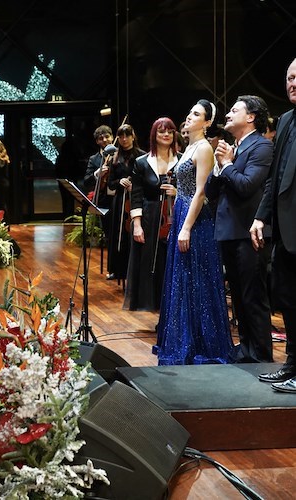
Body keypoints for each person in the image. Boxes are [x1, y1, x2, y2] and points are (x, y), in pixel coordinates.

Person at [156, 99, 233, 365]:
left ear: (208, 122)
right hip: (182, 212)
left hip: (196, 220)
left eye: (196, 114)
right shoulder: (189, 147)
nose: (189, 117)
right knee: (183, 279)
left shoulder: (203, 149)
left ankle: (202, 343)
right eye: (190, 112)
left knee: (196, 279)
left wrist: (186, 227)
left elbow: (201, 192)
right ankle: (183, 339)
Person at [206, 95, 274, 364]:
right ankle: (245, 348)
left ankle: (260, 355)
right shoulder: (231, 148)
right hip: (228, 230)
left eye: (235, 110)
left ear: (251, 117)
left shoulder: (262, 147)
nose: (228, 114)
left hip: (250, 233)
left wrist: (227, 164)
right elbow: (212, 192)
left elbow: (247, 185)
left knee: (253, 296)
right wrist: (216, 165)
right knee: (238, 295)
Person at [252, 58, 296, 391]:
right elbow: (273, 178)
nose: (292, 83)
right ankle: (292, 366)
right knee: (288, 300)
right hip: (285, 230)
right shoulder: (284, 121)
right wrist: (260, 217)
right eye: (289, 77)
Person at [124, 117, 180, 311]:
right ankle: (155, 306)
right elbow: (137, 196)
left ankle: (173, 308)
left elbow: (194, 190)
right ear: (154, 135)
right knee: (151, 263)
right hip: (150, 217)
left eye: (170, 131)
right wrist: (137, 225)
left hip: (176, 216)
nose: (166, 135)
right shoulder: (141, 162)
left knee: (172, 263)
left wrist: (177, 193)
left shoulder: (183, 160)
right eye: (162, 131)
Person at [106, 123, 145, 281]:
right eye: (121, 136)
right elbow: (110, 183)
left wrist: (134, 186)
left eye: (127, 135)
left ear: (133, 136)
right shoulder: (115, 158)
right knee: (118, 235)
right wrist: (119, 181)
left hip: (136, 199)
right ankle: (118, 270)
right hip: (120, 200)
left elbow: (145, 180)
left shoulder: (142, 156)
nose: (124, 139)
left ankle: (135, 270)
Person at [83, 125, 114, 242]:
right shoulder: (94, 159)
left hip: (120, 199)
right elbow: (86, 181)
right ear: (97, 141)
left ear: (112, 137)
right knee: (108, 235)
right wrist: (97, 174)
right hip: (104, 201)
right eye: (101, 138)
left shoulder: (119, 155)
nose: (105, 140)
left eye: (107, 136)